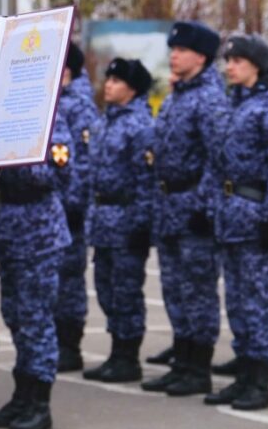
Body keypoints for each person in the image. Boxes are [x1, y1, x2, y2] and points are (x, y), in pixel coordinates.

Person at [142, 21, 230, 396]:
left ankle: (198, 368)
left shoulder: (209, 98)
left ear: (201, 56)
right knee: (176, 290)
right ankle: (184, 361)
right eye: (172, 49)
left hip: (194, 206)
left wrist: (204, 205)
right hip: (169, 205)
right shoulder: (179, 94)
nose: (173, 55)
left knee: (198, 291)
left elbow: (219, 158)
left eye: (181, 50)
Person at [203, 34, 268, 410]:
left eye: (237, 60)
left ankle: (260, 379)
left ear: (255, 65)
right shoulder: (235, 105)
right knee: (236, 300)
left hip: (256, 216)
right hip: (231, 216)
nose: (229, 66)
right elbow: (217, 164)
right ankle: (244, 373)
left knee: (261, 301)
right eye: (228, 60)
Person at [0, 113, 74, 429]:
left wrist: (11, 153)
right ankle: (22, 395)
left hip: (40, 231)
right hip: (9, 229)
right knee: (16, 317)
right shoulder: (1, 118)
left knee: (36, 319)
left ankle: (39, 402)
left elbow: (57, 174)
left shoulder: (50, 120)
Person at [82, 58, 154, 383]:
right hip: (103, 220)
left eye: (116, 80)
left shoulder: (141, 126)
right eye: (107, 79)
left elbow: (146, 181)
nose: (108, 84)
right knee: (107, 289)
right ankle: (116, 352)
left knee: (127, 291)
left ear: (132, 89)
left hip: (126, 219)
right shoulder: (103, 122)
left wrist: (141, 225)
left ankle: (128, 356)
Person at [55, 42, 100, 371]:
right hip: (50, 209)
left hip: (68, 209)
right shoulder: (56, 102)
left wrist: (72, 204)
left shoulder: (79, 106)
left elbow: (84, 163)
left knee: (69, 278)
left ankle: (70, 345)